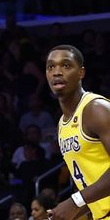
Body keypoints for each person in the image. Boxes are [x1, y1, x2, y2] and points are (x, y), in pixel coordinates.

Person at [46, 45, 110, 220]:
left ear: (81, 73)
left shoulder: (96, 109)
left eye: (65, 65)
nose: (56, 72)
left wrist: (75, 201)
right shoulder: (62, 124)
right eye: (51, 67)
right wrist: (66, 212)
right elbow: (89, 184)